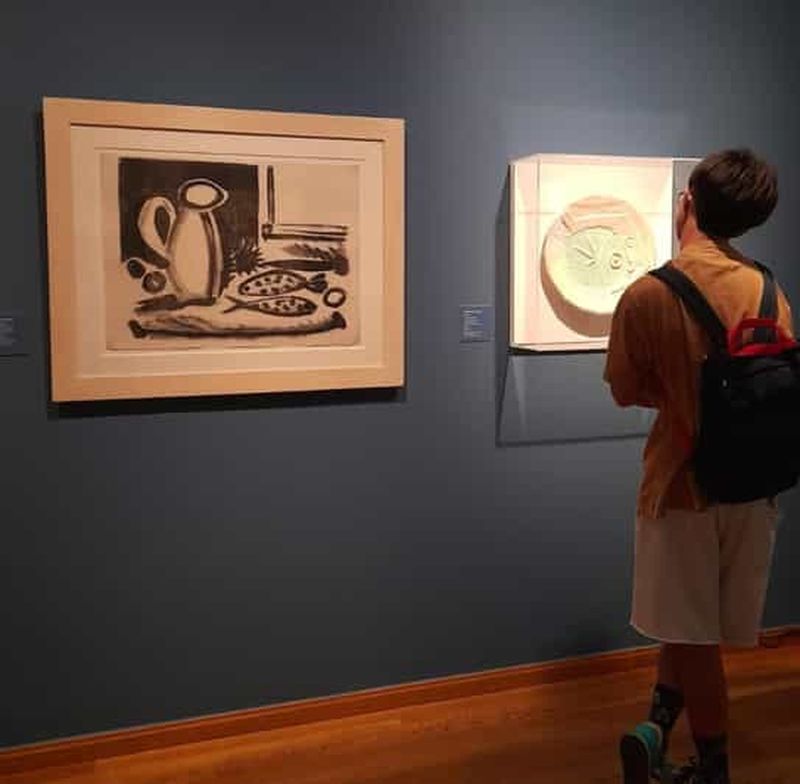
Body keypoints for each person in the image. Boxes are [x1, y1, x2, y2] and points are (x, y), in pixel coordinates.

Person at [604, 149, 792, 784]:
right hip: (755, 486)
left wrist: (679, 390)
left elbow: (624, 389)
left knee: (692, 636)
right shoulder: (767, 288)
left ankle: (713, 766)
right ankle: (656, 726)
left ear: (687, 202)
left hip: (682, 486)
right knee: (687, 622)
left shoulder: (647, 294)